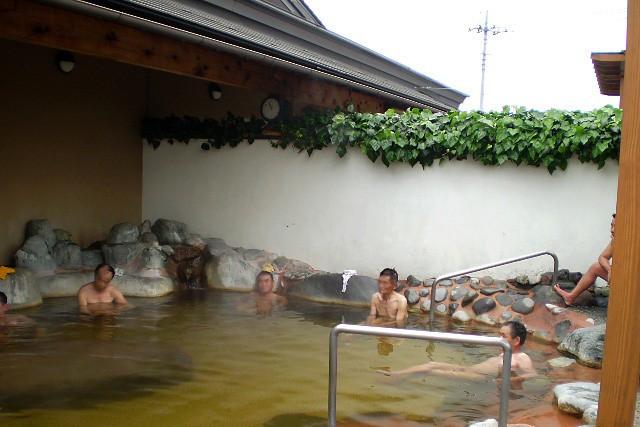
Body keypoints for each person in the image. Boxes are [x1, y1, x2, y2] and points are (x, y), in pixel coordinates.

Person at [377, 321, 536, 386]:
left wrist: (511, 380)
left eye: (504, 336)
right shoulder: (505, 353)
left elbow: (532, 375)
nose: (499, 338)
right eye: (499, 334)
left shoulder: (522, 357)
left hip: (480, 378)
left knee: (432, 371)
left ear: (516, 341)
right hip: (471, 369)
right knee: (432, 364)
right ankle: (400, 376)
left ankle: (395, 376)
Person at [555, 213, 615, 306]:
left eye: (616, 227)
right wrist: (609, 269)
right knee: (596, 267)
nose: (612, 230)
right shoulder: (615, 241)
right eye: (612, 226)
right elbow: (602, 257)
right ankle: (570, 297)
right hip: (619, 276)